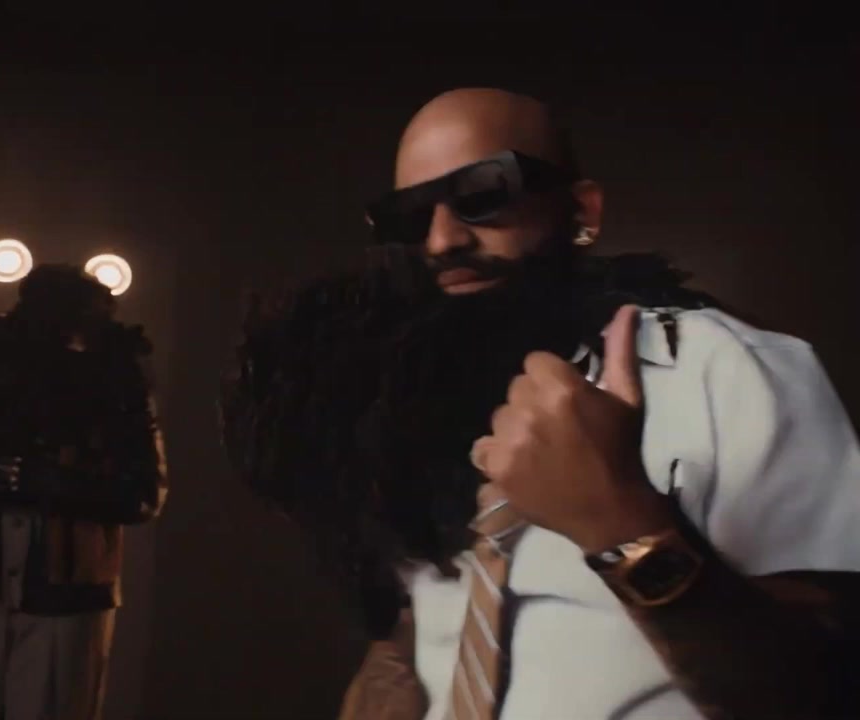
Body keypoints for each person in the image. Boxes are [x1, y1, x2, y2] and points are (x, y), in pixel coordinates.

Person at [221, 88, 860, 720]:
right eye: (409, 217)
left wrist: (625, 526)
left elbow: (830, 686)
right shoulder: (414, 398)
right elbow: (436, 619)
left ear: (582, 209)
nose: (441, 240)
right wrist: (391, 666)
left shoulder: (725, 368)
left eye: (482, 194)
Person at [0, 264, 168, 720]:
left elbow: (142, 495)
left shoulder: (117, 394)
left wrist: (53, 484)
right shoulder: (10, 386)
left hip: (65, 595)